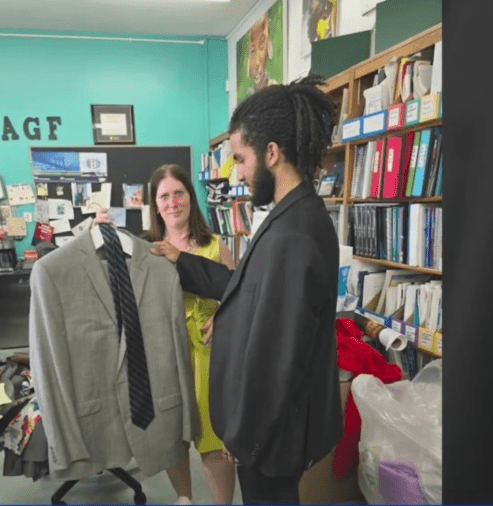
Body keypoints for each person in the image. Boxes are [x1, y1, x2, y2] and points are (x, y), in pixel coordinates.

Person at [149, 76, 343, 505]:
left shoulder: (294, 234)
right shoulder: (287, 215)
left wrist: (244, 437)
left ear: (271, 153)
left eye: (240, 158)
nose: (236, 171)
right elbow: (244, 286)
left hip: (270, 436)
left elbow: (279, 357)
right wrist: (180, 260)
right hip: (271, 429)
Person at [94, 164, 236, 504]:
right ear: (155, 205)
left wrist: (224, 314)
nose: (172, 202)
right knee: (173, 434)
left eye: (179, 193)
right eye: (164, 196)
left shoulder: (215, 245)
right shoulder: (143, 248)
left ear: (190, 197)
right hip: (161, 352)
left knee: (212, 439)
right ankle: (184, 498)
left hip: (206, 351)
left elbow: (237, 293)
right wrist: (98, 232)